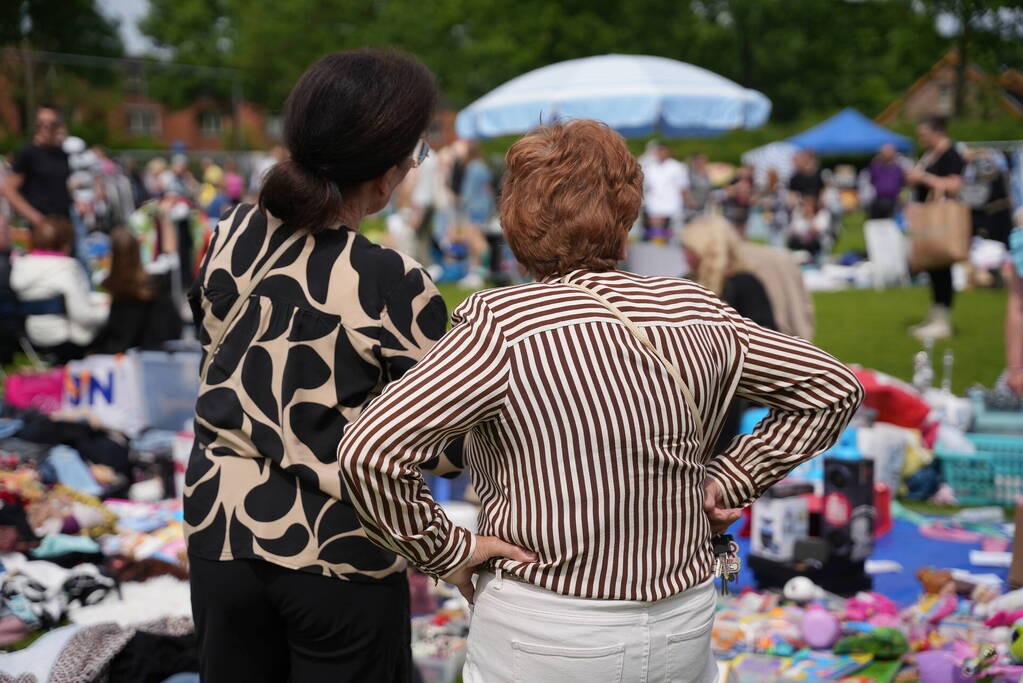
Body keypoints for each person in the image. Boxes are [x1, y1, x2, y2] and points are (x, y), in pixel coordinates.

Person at [339, 119, 864, 683]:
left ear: (516, 217)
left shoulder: (502, 325)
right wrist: (730, 476)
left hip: (548, 623)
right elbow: (832, 388)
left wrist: (447, 552)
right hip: (681, 616)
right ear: (627, 211)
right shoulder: (692, 307)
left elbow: (370, 451)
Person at [183, 49, 452, 683]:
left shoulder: (230, 235)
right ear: (387, 174)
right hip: (337, 550)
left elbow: (217, 350)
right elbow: (437, 446)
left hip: (220, 532)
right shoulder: (391, 281)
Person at [9, 216, 107, 363]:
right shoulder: (65, 268)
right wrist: (109, 311)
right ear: (66, 243)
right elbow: (83, 316)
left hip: (32, 338)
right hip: (67, 341)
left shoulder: (20, 267)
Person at [906, 116, 964, 340]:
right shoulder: (930, 154)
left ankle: (943, 319)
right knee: (933, 267)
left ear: (937, 132)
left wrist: (924, 177)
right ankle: (935, 314)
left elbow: (954, 185)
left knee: (942, 267)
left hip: (942, 220)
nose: (921, 138)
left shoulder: (951, 154)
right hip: (928, 219)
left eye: (924, 134)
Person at [90, 227, 182, 354]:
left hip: (123, 358)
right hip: (153, 359)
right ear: (137, 252)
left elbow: (115, 339)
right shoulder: (155, 288)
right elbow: (174, 330)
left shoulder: (115, 289)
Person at [0, 106, 71, 237]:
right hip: (40, 229)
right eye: (41, 123)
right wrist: (37, 218)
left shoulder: (62, 153)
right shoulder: (28, 152)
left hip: (63, 224)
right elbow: (8, 189)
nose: (46, 128)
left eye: (51, 124)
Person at [455, 141, 493, 288]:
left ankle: (478, 273)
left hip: (473, 209)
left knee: (475, 243)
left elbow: (467, 192)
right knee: (477, 241)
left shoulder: (472, 167)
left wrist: (460, 207)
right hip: (483, 209)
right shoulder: (483, 166)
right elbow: (488, 190)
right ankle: (476, 273)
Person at [643, 143, 689, 242]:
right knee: (656, 225)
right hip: (654, 200)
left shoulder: (677, 167)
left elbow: (683, 186)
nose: (661, 154)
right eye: (659, 151)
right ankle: (658, 245)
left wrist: (687, 201)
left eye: (663, 151)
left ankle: (671, 244)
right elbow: (645, 185)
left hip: (673, 201)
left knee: (673, 228)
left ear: (668, 152)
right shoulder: (650, 167)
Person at [868, 143, 904, 219]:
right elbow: (872, 180)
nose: (887, 154)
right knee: (876, 222)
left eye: (889, 151)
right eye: (885, 151)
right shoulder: (876, 166)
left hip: (893, 200)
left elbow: (902, 182)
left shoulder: (898, 167)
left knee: (892, 224)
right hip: (878, 199)